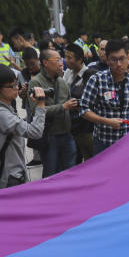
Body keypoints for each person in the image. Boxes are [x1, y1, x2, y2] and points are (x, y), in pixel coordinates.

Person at [0, 64, 45, 188]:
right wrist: (41, 105)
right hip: (11, 178)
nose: (16, 88)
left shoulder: (4, 108)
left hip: (13, 174)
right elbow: (35, 132)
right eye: (11, 86)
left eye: (16, 84)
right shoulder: (1, 114)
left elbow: (19, 124)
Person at [28, 48, 77, 177]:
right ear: (45, 63)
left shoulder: (62, 81)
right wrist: (63, 107)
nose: (61, 63)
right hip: (50, 136)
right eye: (57, 60)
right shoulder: (36, 82)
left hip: (67, 134)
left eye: (61, 60)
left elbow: (67, 103)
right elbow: (37, 110)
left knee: (70, 171)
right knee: (51, 173)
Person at [63, 43, 93, 162]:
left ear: (80, 60)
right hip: (72, 126)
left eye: (69, 57)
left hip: (87, 126)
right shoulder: (68, 73)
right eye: (65, 57)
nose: (66, 60)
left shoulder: (89, 75)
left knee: (91, 159)